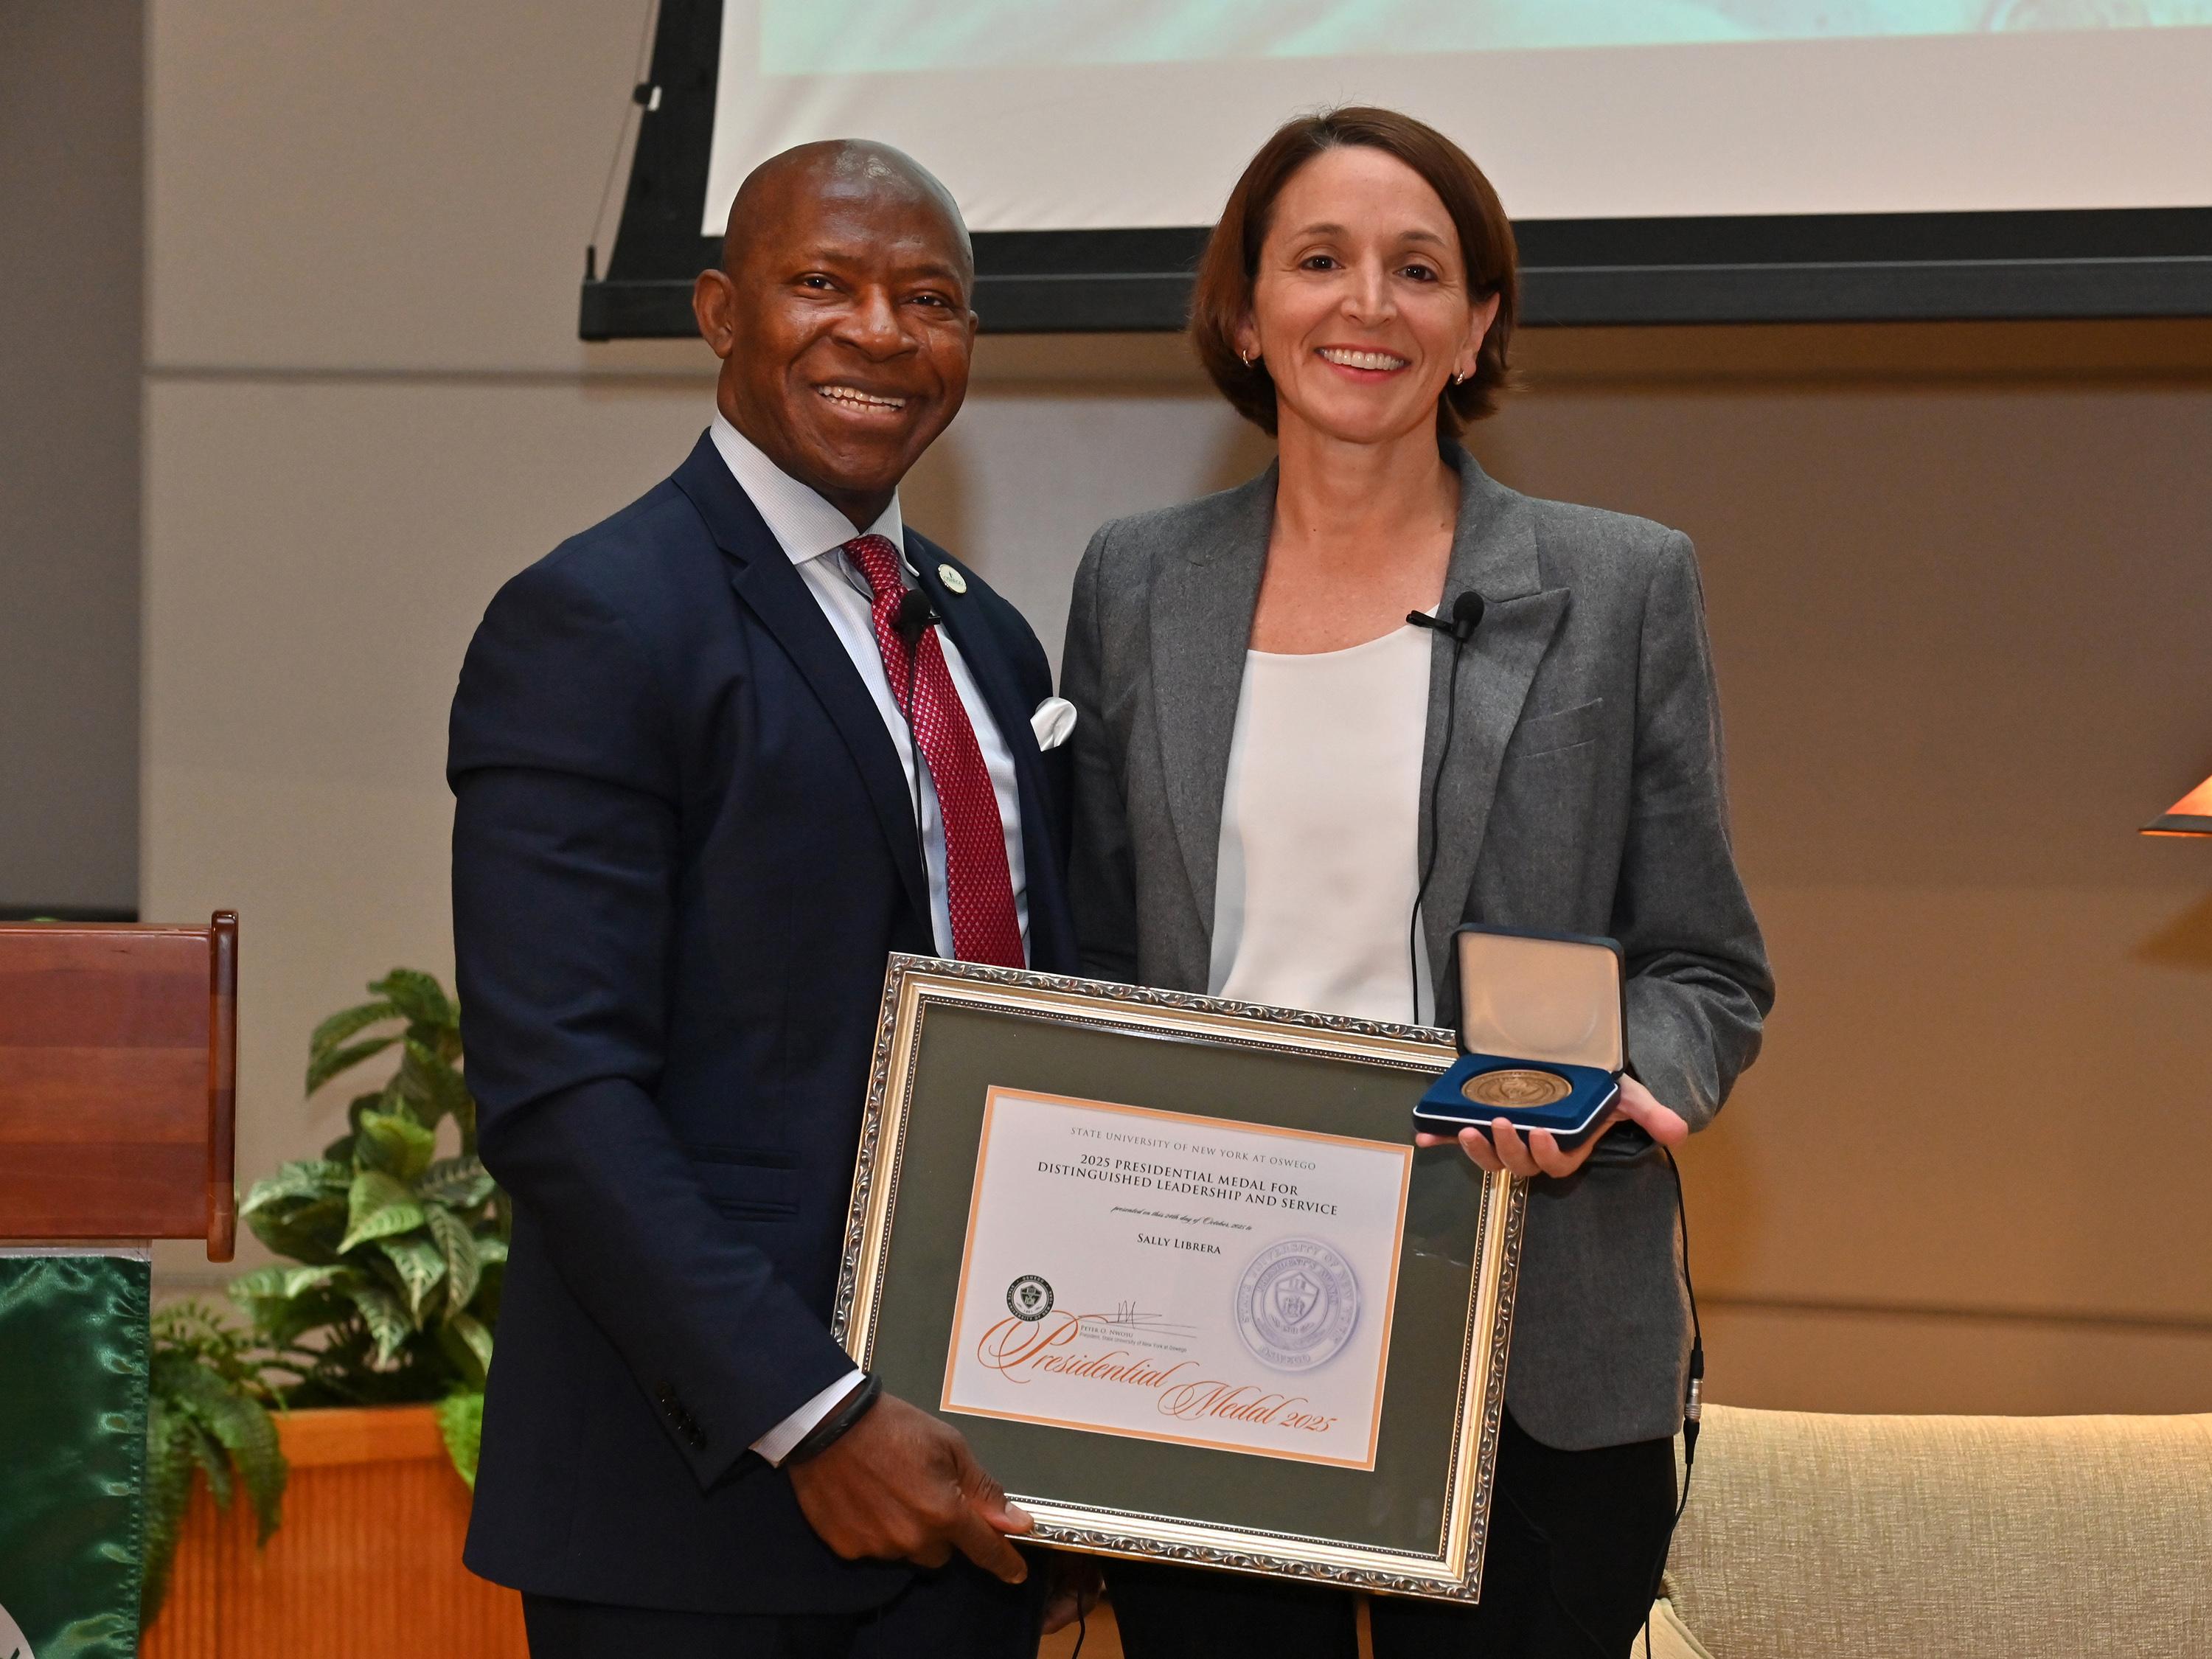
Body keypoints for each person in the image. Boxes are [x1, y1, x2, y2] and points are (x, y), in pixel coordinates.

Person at [1060, 108, 1773, 1657]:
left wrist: (1615, 1083)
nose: (1366, 305)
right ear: (1247, 315)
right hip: (1208, 1326)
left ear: (1479, 326)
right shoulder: (1134, 583)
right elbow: (1093, 957)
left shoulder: (1619, 585)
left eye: (1420, 270)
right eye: (1319, 261)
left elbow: (1706, 970)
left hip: (1537, 1328)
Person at [448, 139, 1091, 1657]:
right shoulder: (595, 622)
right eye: (824, 282)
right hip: (700, 1515)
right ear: (721, 312)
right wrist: (812, 1416)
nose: (880, 331)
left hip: (966, 1490)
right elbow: (560, 1091)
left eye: (929, 298)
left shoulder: (988, 641)